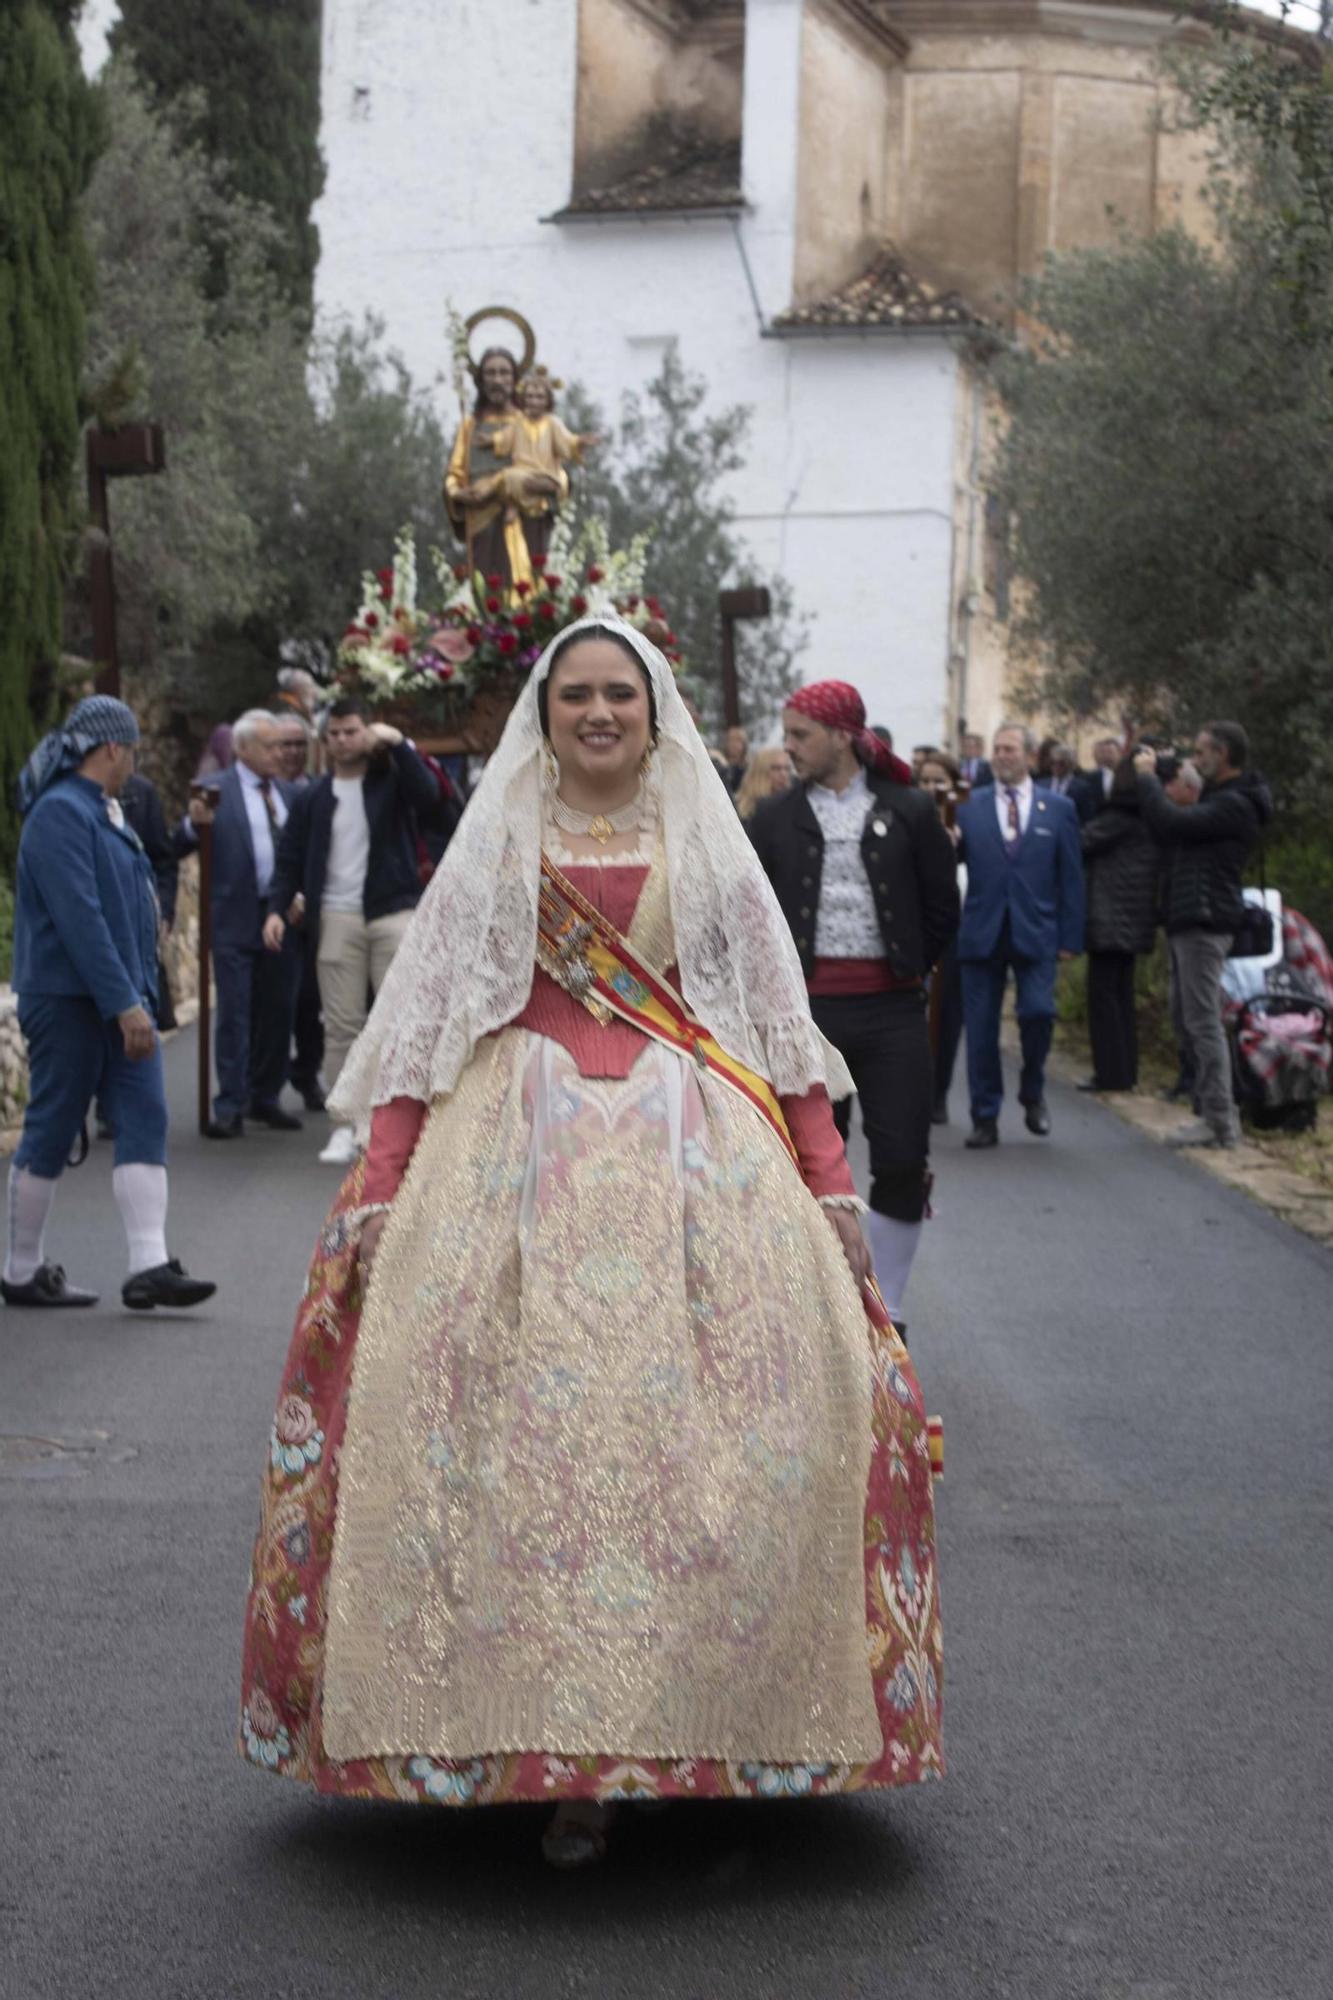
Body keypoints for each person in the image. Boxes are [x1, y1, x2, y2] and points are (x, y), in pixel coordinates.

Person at [238, 619, 944, 1867]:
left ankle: (688, 1724)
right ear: (546, 708)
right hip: (511, 1144)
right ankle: (548, 1749)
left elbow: (775, 1027)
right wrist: (378, 1190)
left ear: (653, 707)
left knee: (728, 1438)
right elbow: (427, 1024)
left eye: (620, 692)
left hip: (693, 1142)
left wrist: (831, 1194)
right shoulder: (496, 835)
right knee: (497, 1443)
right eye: (578, 694)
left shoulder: (708, 845)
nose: (600, 711)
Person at [750, 680, 959, 1316]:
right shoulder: (775, 817)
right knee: (811, 1168)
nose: (789, 748)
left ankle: (890, 1307)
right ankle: (829, 1308)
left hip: (893, 1011)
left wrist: (904, 971)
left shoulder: (911, 810)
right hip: (807, 1016)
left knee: (901, 1159)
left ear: (843, 736)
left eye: (801, 735)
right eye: (786, 735)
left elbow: (941, 911)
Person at [3, 697, 215, 1311]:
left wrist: (136, 996)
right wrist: (125, 1002)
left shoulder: (103, 812)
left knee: (145, 1115)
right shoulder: (60, 815)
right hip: (71, 998)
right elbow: (81, 920)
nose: (135, 763)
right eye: (134, 750)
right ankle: (20, 1268)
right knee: (53, 1122)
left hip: (123, 994)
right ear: (112, 749)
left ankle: (149, 1263)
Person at [264, 698, 460, 1165]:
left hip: (392, 909)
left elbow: (432, 798)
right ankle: (344, 1124)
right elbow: (290, 856)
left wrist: (398, 743)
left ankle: (395, 1125)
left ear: (367, 732)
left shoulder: (390, 782)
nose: (342, 741)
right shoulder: (315, 796)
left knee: (399, 1022)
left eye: (351, 731)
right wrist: (276, 908)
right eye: (333, 734)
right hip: (335, 915)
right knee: (341, 1026)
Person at [1134, 721, 1273, 1149]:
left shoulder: (1237, 805)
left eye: (1202, 752)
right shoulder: (1219, 797)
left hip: (1205, 921)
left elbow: (1172, 822)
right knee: (1187, 1017)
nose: (1195, 760)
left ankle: (1219, 1122)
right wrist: (1166, 774)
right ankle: (1213, 1110)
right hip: (1189, 917)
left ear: (1224, 753)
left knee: (1202, 1021)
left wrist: (1145, 779)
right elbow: (1172, 816)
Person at [955, 722, 1085, 1148]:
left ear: (1030, 756)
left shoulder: (1058, 808)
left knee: (1038, 1013)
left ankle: (1032, 1090)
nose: (1002, 755)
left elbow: (1071, 877)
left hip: (1037, 931)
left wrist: (1071, 937)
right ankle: (985, 1116)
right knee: (980, 1030)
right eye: (997, 748)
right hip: (982, 931)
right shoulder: (968, 806)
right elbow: (947, 861)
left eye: (1010, 749)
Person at [180, 710, 305, 1139]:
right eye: (270, 746)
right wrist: (192, 821)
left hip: (283, 916)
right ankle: (229, 1104)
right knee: (234, 1012)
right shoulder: (214, 792)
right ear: (243, 749)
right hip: (234, 916)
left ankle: (264, 1097)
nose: (279, 753)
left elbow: (302, 854)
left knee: (278, 1010)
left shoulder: (290, 793)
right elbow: (180, 841)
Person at [1078, 753, 1158, 1093]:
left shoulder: (1116, 820)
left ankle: (1110, 1072)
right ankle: (1125, 1071)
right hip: (1134, 919)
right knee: (1121, 996)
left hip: (1110, 919)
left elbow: (1077, 842)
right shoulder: (1149, 818)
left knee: (1104, 997)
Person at [271, 713, 325, 1111]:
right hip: (268, 914)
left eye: (298, 744)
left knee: (312, 1001)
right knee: (272, 1006)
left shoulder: (318, 792)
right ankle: (261, 1087)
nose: (291, 753)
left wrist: (305, 894)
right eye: (283, 744)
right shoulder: (253, 791)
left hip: (312, 913)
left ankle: (307, 1073)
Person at [916, 754, 966, 1124]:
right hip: (915, 932)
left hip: (956, 933)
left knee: (947, 1016)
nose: (932, 788)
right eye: (926, 780)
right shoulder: (907, 820)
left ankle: (938, 1093)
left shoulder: (965, 824)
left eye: (940, 781)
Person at [1156, 756, 1203, 1103]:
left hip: (1196, 923)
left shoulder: (1197, 822)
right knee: (1178, 1006)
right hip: (1174, 920)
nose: (1166, 790)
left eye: (1171, 783)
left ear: (1189, 788)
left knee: (1197, 1009)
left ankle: (1203, 1081)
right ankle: (1187, 1072)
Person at [734, 746, 793, 820]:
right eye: (776, 768)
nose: (783, 774)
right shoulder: (736, 808)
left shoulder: (793, 808)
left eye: (787, 768)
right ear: (760, 771)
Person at [719, 724, 749, 796]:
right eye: (730, 740)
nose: (733, 744)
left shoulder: (748, 767)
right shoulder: (720, 765)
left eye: (738, 740)